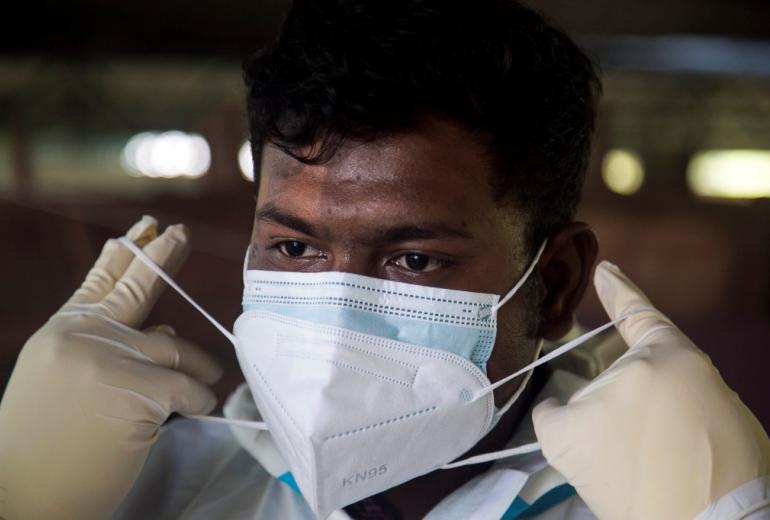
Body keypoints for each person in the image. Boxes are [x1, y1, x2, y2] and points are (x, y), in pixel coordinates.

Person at [0, 0, 768, 519]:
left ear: (556, 281)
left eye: (413, 260)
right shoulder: (129, 483)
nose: (334, 325)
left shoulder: (675, 493)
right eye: (295, 247)